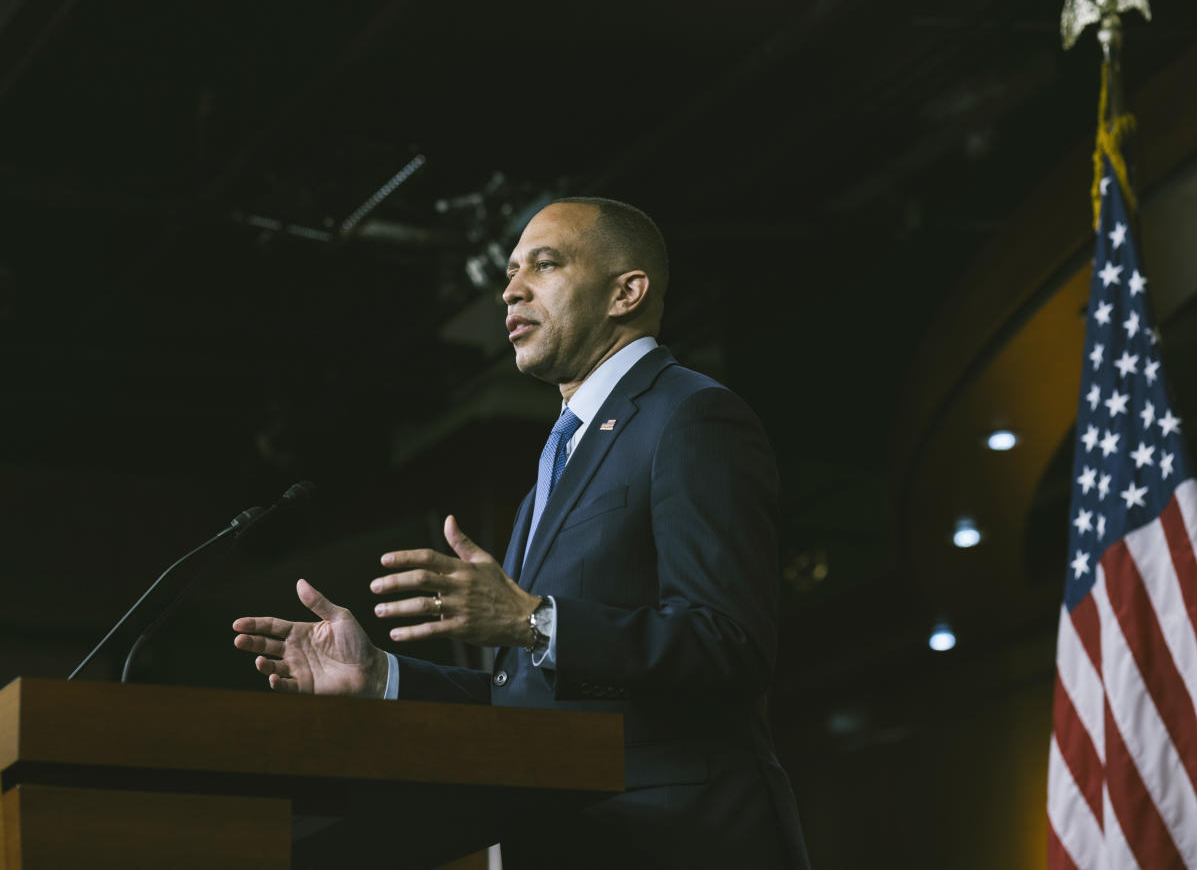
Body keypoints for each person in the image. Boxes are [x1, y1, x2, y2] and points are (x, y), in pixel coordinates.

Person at [233, 198, 810, 869]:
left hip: (679, 842)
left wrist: (536, 622)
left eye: (545, 264)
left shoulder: (693, 417)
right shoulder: (559, 461)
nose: (510, 289)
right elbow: (533, 703)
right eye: (510, 271)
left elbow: (728, 645)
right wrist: (383, 678)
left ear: (627, 291)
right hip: (567, 839)